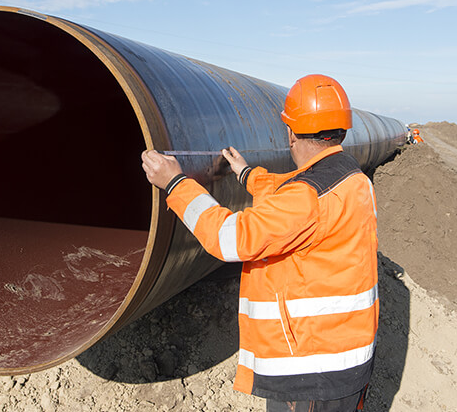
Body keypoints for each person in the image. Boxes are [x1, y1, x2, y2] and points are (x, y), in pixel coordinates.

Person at [141, 74, 379, 412]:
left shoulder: (305, 199)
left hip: (310, 370)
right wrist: (245, 173)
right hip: (343, 356)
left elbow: (228, 238)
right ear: (341, 129)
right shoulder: (351, 178)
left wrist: (175, 183)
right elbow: (292, 195)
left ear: (291, 132)